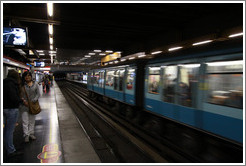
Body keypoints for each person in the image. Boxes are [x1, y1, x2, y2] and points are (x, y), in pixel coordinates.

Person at [3, 70, 27, 157]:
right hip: (11, 109)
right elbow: (13, 97)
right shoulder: (12, 84)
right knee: (9, 131)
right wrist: (21, 100)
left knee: (6, 130)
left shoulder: (4, 82)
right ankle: (11, 150)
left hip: (5, 108)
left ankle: (8, 147)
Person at [19, 71, 40, 143]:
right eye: (26, 76)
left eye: (28, 75)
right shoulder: (21, 85)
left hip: (33, 105)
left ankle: (31, 133)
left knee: (32, 120)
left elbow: (38, 94)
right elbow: (20, 94)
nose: (27, 77)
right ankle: (26, 135)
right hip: (24, 106)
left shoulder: (35, 84)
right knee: (25, 121)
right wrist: (23, 101)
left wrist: (34, 100)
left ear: (31, 76)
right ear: (24, 77)